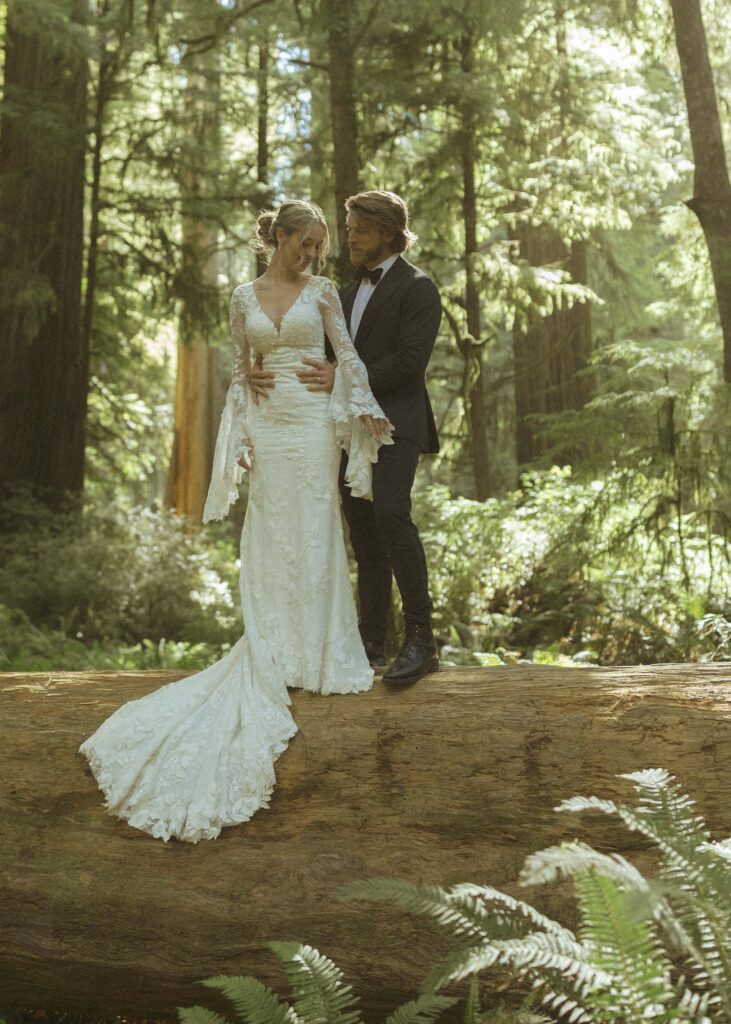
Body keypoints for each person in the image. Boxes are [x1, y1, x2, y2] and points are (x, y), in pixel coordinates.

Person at [78, 200, 392, 843]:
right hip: (271, 431)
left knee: (314, 529)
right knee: (272, 533)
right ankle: (274, 646)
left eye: (319, 247)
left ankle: (321, 651)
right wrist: (242, 432)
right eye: (304, 244)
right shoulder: (243, 297)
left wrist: (350, 398)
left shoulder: (325, 291)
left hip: (309, 426)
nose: (311, 256)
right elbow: (239, 376)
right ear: (278, 237)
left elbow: (349, 358)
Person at [250, 190, 441, 685]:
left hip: (397, 423)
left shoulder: (419, 288)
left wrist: (343, 378)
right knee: (364, 538)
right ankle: (370, 644)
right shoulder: (346, 291)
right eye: (349, 227)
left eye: (357, 228)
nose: (349, 236)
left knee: (391, 513)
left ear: (386, 231)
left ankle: (422, 637)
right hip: (343, 428)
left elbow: (408, 364)